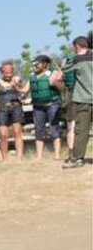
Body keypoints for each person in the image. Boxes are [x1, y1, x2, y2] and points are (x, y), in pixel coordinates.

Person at [56, 36, 92, 169]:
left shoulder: (75, 60)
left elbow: (60, 75)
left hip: (83, 99)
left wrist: (62, 67)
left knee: (81, 130)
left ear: (77, 46)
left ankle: (77, 159)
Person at [0, 60, 30, 162]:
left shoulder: (17, 80)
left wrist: (17, 87)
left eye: (10, 72)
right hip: (2, 109)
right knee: (3, 134)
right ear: (2, 72)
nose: (8, 75)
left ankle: (19, 158)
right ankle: (4, 159)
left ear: (13, 71)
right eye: (6, 73)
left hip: (16, 107)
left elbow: (24, 91)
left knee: (17, 132)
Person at [30, 55, 63, 160]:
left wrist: (55, 83)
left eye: (37, 63)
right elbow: (24, 89)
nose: (35, 65)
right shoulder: (31, 76)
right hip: (38, 106)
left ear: (44, 64)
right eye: (34, 63)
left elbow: (62, 89)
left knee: (54, 129)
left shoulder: (53, 73)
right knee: (39, 130)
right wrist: (16, 86)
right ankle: (39, 157)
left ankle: (57, 156)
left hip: (52, 105)